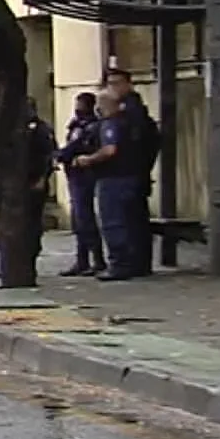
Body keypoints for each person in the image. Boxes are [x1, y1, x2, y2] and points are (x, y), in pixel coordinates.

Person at [73, 91, 140, 281]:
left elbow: (110, 150)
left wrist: (89, 159)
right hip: (128, 177)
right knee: (126, 222)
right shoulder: (128, 123)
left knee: (113, 222)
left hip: (113, 178)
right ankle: (129, 262)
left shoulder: (111, 124)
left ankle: (119, 264)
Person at [102, 69, 159, 275]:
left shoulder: (126, 116)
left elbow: (113, 149)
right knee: (135, 221)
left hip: (121, 175)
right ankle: (138, 264)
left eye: (117, 83)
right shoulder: (136, 114)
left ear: (128, 84)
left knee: (119, 222)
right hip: (135, 174)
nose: (113, 88)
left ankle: (123, 264)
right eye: (110, 83)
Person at [56, 92, 105, 276]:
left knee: (85, 218)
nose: (77, 108)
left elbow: (75, 147)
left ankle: (97, 260)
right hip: (75, 176)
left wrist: (60, 155)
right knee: (79, 220)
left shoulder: (90, 127)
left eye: (80, 105)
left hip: (84, 177)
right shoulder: (77, 125)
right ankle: (82, 260)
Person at [25, 99, 59, 263]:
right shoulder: (16, 129)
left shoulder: (41, 130)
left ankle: (30, 254)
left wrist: (42, 178)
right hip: (18, 182)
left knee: (32, 221)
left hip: (34, 180)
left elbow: (49, 156)